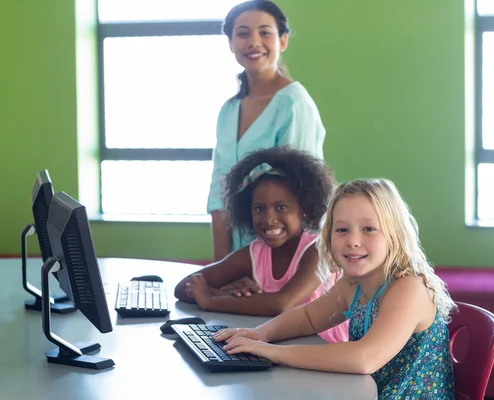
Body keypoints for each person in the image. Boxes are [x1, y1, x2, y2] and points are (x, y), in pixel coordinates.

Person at [213, 179, 457, 399]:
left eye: (368, 229)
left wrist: (273, 353)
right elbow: (308, 317)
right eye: (342, 230)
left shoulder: (408, 289)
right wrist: (261, 333)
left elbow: (364, 358)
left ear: (394, 236)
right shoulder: (352, 284)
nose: (353, 240)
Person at [176, 147, 348, 343]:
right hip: (278, 344)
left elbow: (282, 304)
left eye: (281, 207)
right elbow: (184, 287)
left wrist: (211, 300)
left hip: (322, 349)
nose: (269, 219)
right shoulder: (255, 254)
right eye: (259, 208)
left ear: (305, 209)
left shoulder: (318, 251)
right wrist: (224, 293)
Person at [209, 0, 326, 262]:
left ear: (282, 41)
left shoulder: (294, 103)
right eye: (242, 33)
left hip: (283, 264)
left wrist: (271, 272)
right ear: (230, 43)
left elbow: (299, 199)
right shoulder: (228, 110)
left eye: (264, 32)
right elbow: (218, 197)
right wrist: (222, 268)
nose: (253, 41)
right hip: (238, 262)